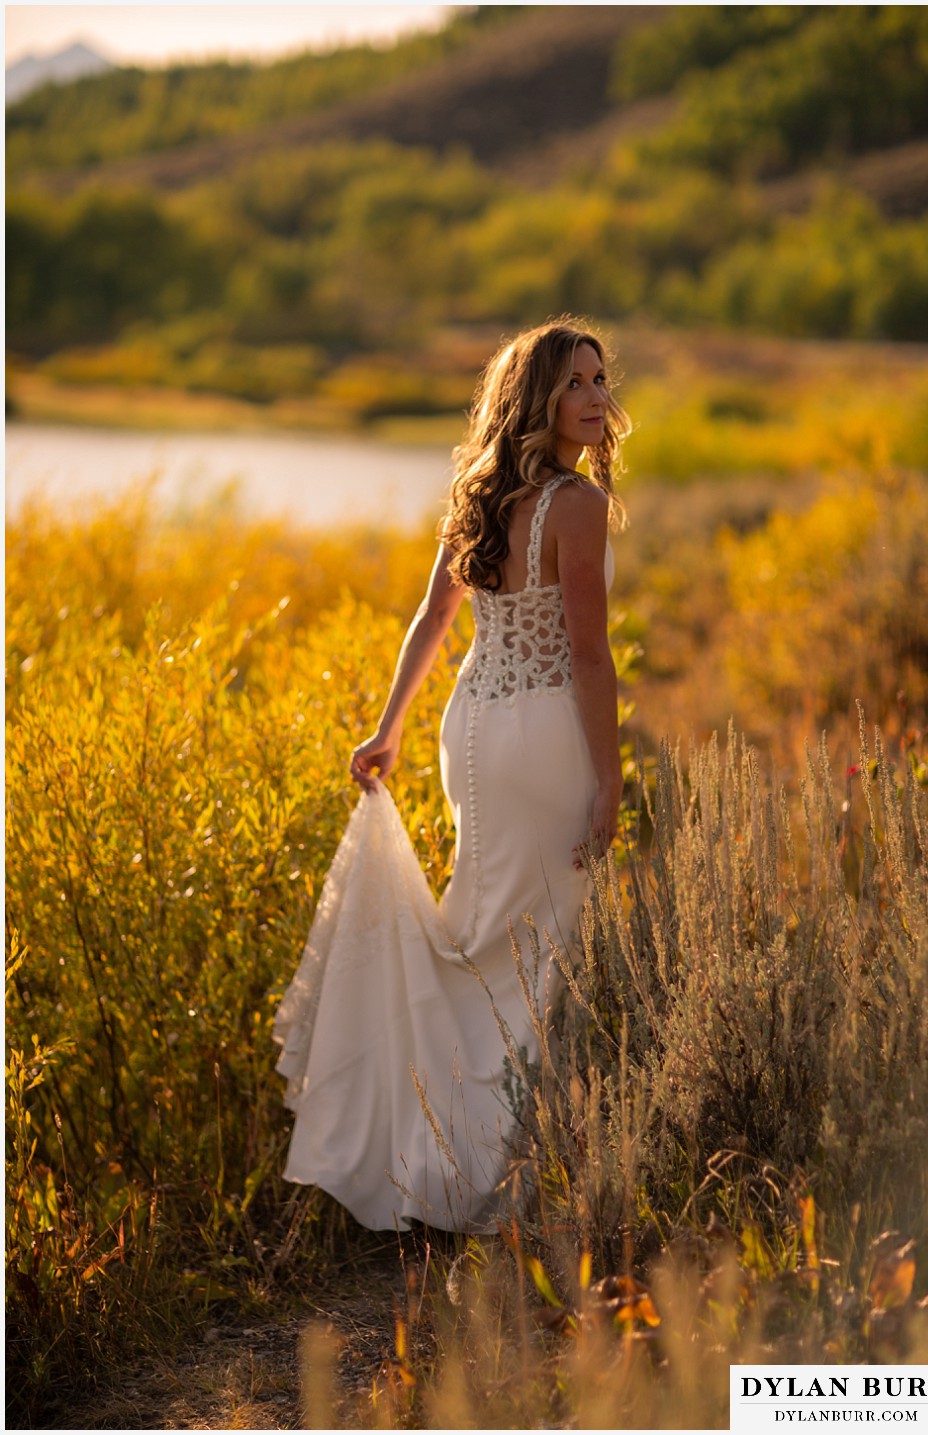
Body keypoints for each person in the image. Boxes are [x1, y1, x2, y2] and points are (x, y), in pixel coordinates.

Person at [273, 318, 630, 1233]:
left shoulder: (481, 490)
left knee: (479, 937)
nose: (596, 397)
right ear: (540, 398)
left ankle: (439, 1137)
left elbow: (433, 618)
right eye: (577, 382)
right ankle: (471, 1163)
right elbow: (588, 657)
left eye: (600, 380)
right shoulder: (577, 507)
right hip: (542, 739)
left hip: (469, 730)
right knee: (533, 953)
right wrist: (609, 778)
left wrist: (390, 728)